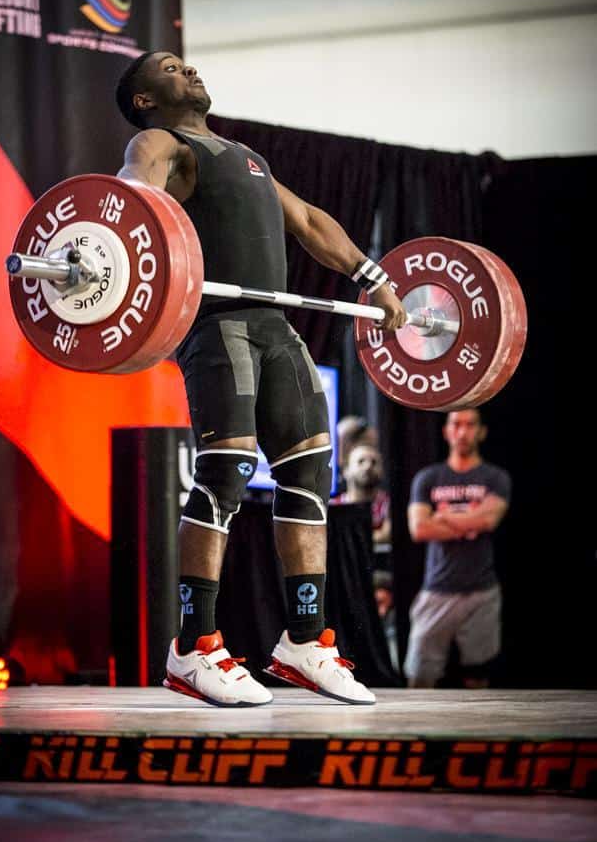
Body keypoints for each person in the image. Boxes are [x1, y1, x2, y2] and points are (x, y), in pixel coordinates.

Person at [115, 50, 406, 707]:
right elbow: (135, 191)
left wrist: (371, 276)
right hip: (218, 326)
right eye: (167, 68)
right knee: (225, 471)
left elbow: (305, 222)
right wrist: (120, 238)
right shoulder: (158, 139)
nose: (185, 70)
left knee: (309, 473)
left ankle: (304, 641)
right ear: (143, 99)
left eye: (183, 64)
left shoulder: (243, 155)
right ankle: (193, 647)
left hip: (276, 328)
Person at [404, 408, 511, 689]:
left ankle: (477, 734)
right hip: (437, 590)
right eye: (456, 424)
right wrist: (470, 522)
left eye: (470, 425)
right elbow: (419, 529)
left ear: (481, 432)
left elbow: (489, 520)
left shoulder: (495, 478)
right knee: (420, 676)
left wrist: (443, 516)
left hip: (482, 592)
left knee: (478, 677)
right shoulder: (428, 478)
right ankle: (417, 731)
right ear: (447, 431)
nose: (463, 432)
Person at [330, 441, 391, 548]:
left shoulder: (389, 504)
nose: (368, 466)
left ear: (382, 471)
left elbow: (387, 535)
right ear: (346, 471)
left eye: (374, 462)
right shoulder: (333, 506)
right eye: (361, 461)